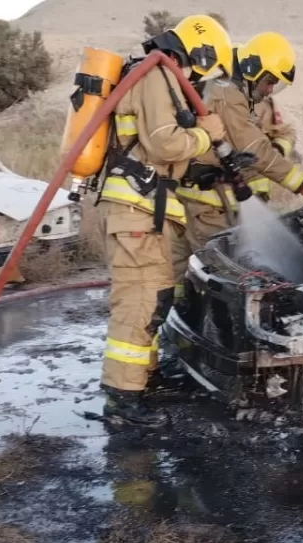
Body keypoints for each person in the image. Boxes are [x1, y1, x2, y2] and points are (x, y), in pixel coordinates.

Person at [97, 14, 231, 427]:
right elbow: (164, 142)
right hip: (135, 211)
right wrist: (207, 133)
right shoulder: (158, 75)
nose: (200, 77)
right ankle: (123, 401)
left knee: (152, 297)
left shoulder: (157, 75)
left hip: (143, 211)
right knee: (140, 303)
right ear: (200, 50)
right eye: (204, 67)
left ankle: (140, 380)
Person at [177, 31, 303, 247]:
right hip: (208, 203)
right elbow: (253, 147)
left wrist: (277, 147)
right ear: (253, 68)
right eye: (269, 81)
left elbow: (278, 135)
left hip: (218, 200)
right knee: (214, 265)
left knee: (192, 268)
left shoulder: (235, 87)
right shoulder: (226, 93)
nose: (269, 90)